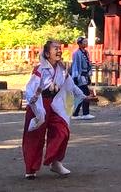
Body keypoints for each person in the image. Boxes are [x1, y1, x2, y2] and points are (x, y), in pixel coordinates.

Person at [22, 40, 88, 179]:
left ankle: (55, 161)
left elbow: (70, 85)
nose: (59, 51)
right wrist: (32, 98)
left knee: (62, 131)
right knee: (35, 137)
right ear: (47, 53)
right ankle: (31, 168)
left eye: (60, 48)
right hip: (39, 104)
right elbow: (30, 87)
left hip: (55, 104)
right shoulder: (39, 70)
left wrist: (84, 96)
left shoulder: (62, 69)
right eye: (55, 48)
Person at [70, 37, 95, 120]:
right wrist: (75, 76)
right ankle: (84, 113)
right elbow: (75, 65)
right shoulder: (76, 53)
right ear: (79, 44)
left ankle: (76, 113)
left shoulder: (86, 52)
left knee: (81, 94)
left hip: (85, 75)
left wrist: (89, 75)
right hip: (80, 76)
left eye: (86, 42)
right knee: (85, 94)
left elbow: (88, 64)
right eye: (84, 42)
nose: (86, 43)